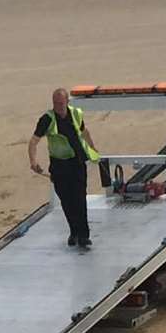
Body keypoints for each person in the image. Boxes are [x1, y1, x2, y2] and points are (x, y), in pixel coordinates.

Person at [28, 87, 99, 250]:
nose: (58, 106)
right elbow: (33, 142)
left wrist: (93, 148)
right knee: (67, 201)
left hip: (77, 162)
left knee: (80, 199)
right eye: (55, 103)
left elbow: (84, 131)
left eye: (61, 103)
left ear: (67, 102)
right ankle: (74, 232)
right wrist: (33, 161)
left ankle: (83, 236)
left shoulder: (75, 113)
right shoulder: (47, 119)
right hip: (59, 165)